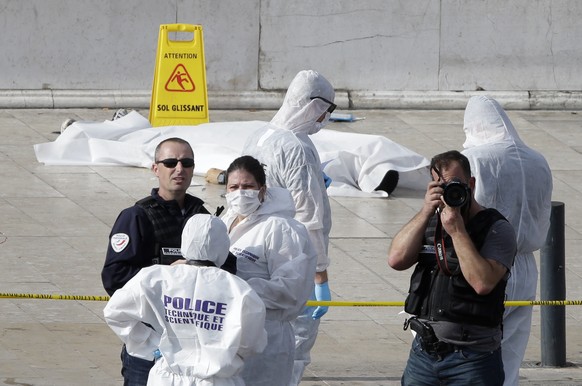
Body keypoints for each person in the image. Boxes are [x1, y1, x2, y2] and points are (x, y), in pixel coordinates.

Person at [101, 137, 236, 385]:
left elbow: (229, 269)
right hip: (149, 346)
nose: (179, 169)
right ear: (155, 168)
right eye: (171, 162)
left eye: (186, 163)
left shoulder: (202, 217)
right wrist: (167, 276)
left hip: (197, 347)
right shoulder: (137, 217)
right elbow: (114, 277)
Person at [388, 150, 517, 385]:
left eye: (455, 185)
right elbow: (396, 260)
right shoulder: (430, 223)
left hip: (473, 359)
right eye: (442, 186)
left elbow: (483, 283)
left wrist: (457, 230)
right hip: (424, 354)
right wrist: (426, 210)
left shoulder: (496, 229)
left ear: (471, 184)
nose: (450, 192)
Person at [241, 70, 337, 384]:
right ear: (312, 106)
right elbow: (310, 215)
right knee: (296, 340)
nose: (325, 117)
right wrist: (320, 274)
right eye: (326, 109)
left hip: (253, 247)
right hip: (290, 254)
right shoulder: (297, 147)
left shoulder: (261, 135)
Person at [104, 214, 267, 386]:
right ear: (223, 246)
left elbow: (115, 313)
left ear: (185, 240)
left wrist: (153, 345)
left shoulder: (156, 277)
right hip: (217, 380)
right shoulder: (239, 289)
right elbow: (253, 344)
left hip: (166, 378)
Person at [461, 95, 553, 386]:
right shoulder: (538, 159)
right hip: (525, 266)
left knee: (468, 354)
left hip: (485, 263)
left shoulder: (476, 159)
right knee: (509, 357)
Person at [221, 155, 318, 386]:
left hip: (266, 340)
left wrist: (232, 288)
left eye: (248, 186)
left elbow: (289, 291)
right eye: (234, 187)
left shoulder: (281, 228)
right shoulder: (225, 220)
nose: (240, 193)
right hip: (228, 335)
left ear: (262, 190)